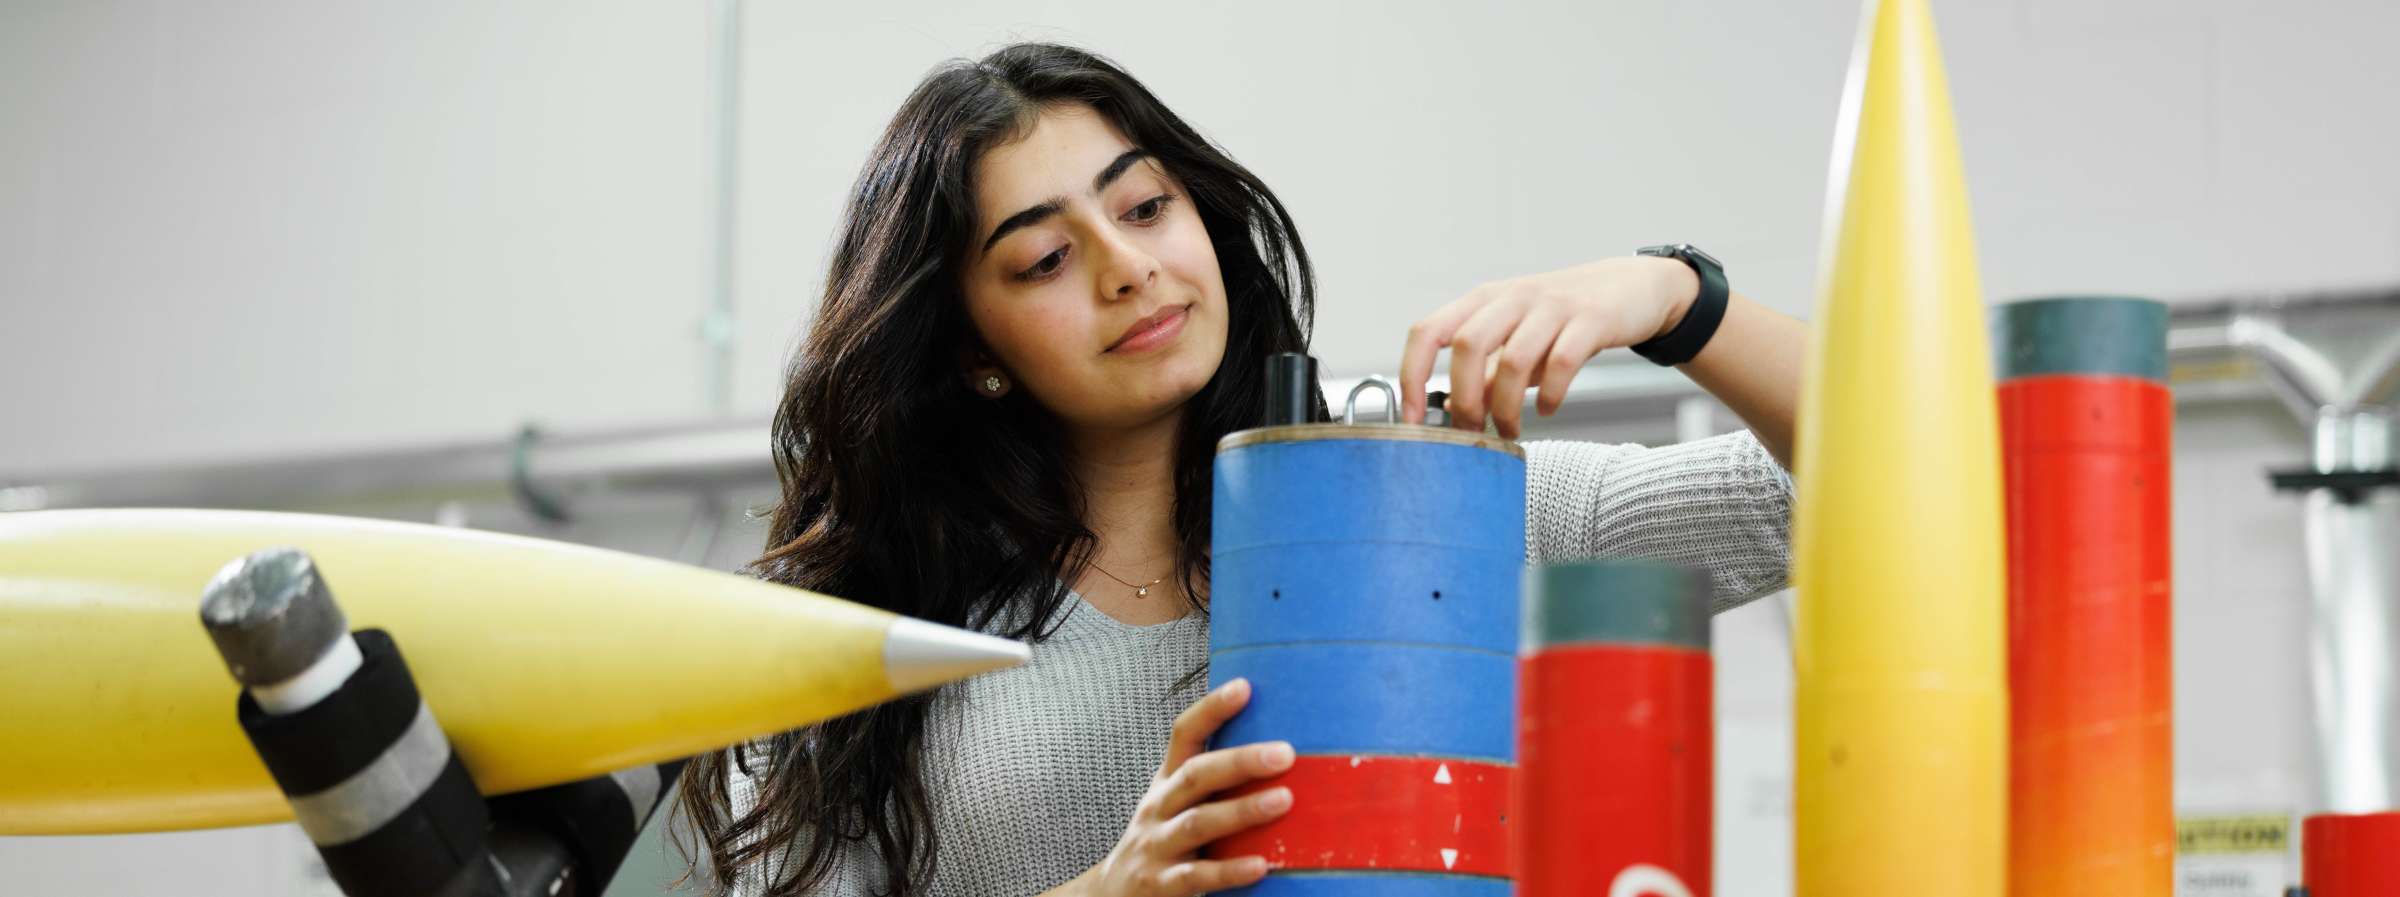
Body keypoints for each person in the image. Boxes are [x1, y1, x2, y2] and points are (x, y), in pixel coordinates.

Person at [675, 42, 1804, 897]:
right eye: (1046, 258)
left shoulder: (1432, 512)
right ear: (972, 351)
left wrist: (1671, 298)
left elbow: (1866, 484)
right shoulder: (847, 636)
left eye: (1146, 206)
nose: (1129, 269)